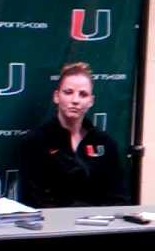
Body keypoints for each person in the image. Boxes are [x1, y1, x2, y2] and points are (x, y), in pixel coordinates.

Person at [19, 62, 129, 208]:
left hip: (99, 227)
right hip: (53, 227)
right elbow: (32, 201)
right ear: (56, 96)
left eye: (83, 94)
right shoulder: (36, 141)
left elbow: (120, 199)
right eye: (68, 92)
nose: (75, 100)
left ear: (91, 101)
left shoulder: (106, 144)